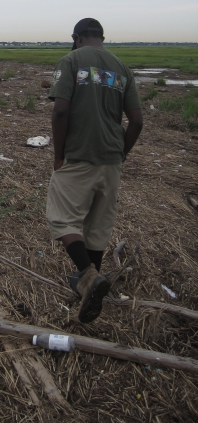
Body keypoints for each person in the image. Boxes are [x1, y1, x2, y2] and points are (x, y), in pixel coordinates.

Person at [46, 18, 143, 323]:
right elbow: (137, 121)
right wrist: (121, 155)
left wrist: (58, 155)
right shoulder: (122, 68)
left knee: (62, 217)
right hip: (111, 159)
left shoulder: (71, 60)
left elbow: (60, 110)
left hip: (80, 154)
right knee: (98, 226)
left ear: (76, 38)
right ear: (102, 37)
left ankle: (87, 276)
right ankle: (90, 286)